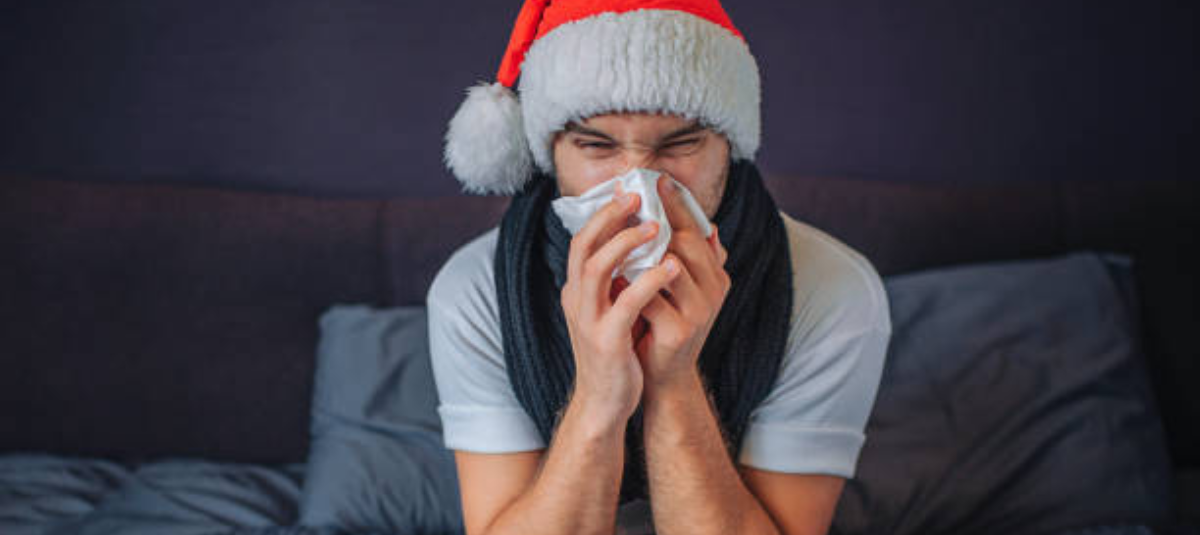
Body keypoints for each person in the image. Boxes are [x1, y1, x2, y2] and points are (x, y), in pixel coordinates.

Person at [428, 1, 892, 534]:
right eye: (596, 145)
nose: (638, 186)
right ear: (550, 154)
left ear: (730, 146)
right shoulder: (476, 291)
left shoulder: (832, 290)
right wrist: (599, 395)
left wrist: (674, 383)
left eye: (681, 143)